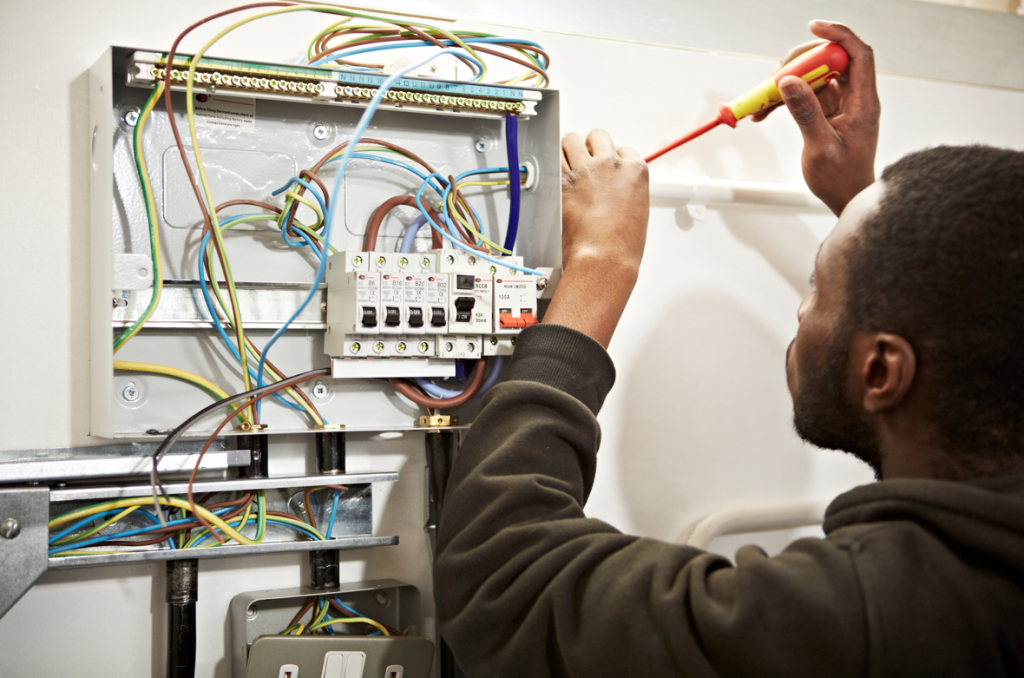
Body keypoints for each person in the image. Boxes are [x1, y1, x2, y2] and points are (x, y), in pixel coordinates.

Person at [433, 19, 1024, 678]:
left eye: (817, 286)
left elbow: (508, 584)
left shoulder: (871, 623)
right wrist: (864, 207)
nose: (800, 307)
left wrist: (599, 266)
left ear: (883, 370)